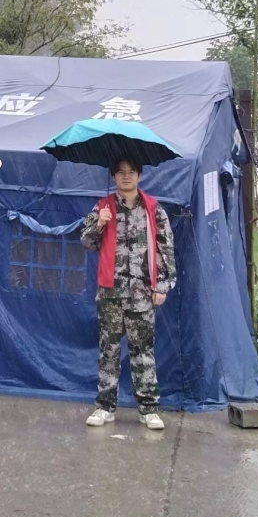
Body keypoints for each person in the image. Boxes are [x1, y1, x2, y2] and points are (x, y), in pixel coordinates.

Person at [80, 159, 176, 430]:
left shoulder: (153, 209)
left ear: (139, 176)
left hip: (142, 294)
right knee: (108, 352)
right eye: (120, 172)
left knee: (143, 352)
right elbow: (86, 242)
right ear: (113, 177)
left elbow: (166, 248)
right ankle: (104, 407)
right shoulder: (102, 207)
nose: (125, 177)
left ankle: (149, 410)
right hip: (110, 293)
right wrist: (99, 223)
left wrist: (162, 285)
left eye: (131, 172)